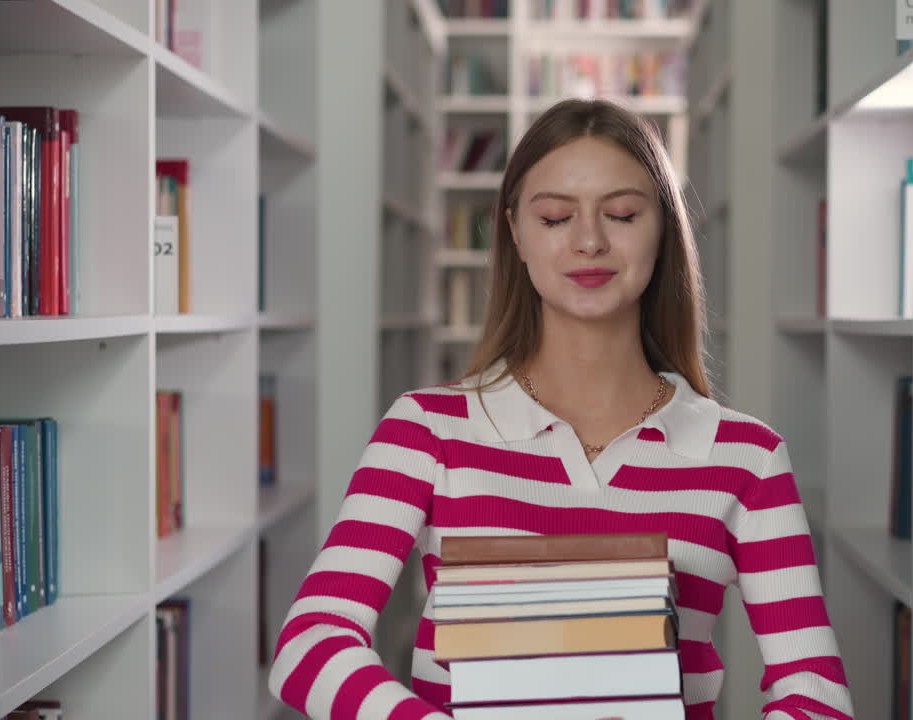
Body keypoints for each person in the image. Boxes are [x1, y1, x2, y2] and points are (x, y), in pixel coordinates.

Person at [268, 98, 854, 720]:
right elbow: (309, 647)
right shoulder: (425, 431)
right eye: (555, 217)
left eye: (623, 213)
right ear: (515, 230)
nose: (590, 241)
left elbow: (815, 695)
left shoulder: (748, 458)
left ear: (664, 229)